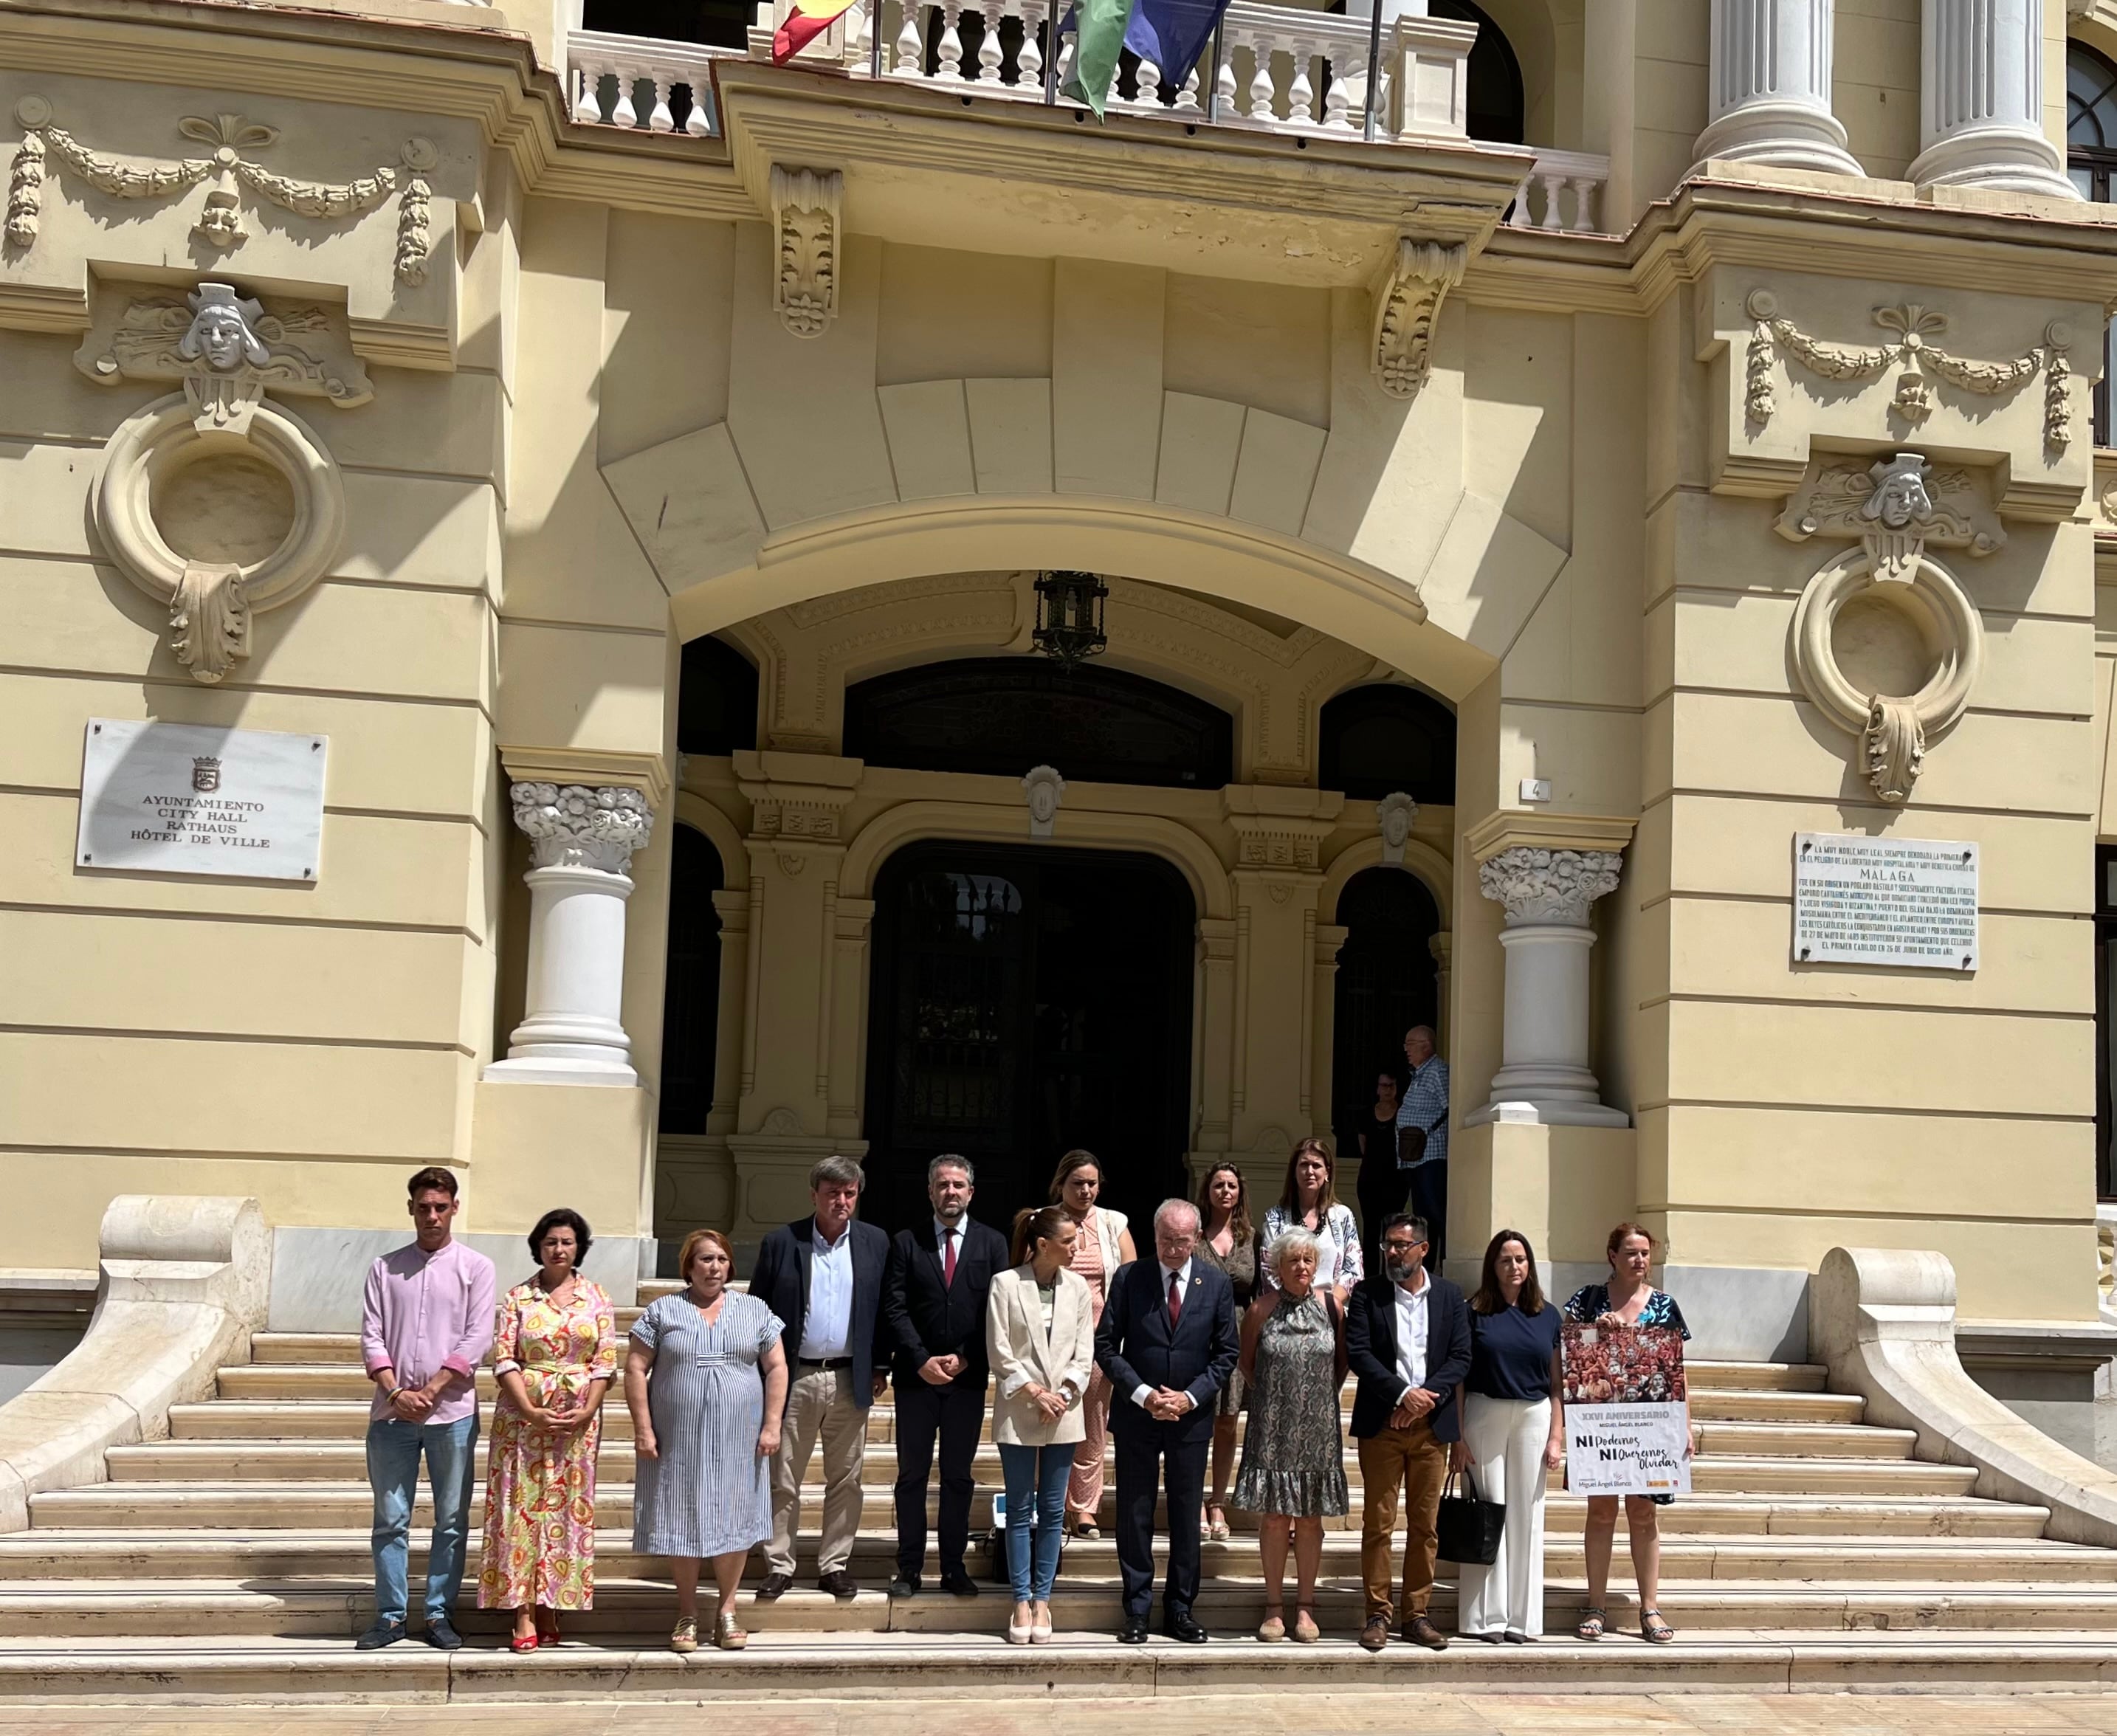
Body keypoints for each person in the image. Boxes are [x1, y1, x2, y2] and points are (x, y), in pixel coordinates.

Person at [356, 1166, 497, 1651]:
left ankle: (439, 1613)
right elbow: (371, 1335)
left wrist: (433, 1389)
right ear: (411, 1209)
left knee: (451, 1520)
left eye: (440, 1207)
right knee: (390, 1520)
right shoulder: (384, 1268)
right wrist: (397, 1393)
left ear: (455, 1208)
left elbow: (478, 1336)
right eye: (423, 1208)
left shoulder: (476, 1268)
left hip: (452, 1413)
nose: (431, 1216)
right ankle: (391, 1617)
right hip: (391, 1416)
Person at [627, 1229, 788, 1653]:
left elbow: (777, 1368)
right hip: (677, 1440)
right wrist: (643, 1428)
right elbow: (635, 1368)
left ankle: (727, 1609)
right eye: (704, 1259)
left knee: (734, 1518)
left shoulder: (755, 1310)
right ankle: (687, 1612)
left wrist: (772, 1424)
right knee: (681, 1517)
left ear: (730, 1265)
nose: (713, 1267)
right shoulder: (662, 1311)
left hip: (739, 1439)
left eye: (720, 1259)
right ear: (688, 1266)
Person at [1095, 1198, 1239, 1645]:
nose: (1173, 1250)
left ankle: (1180, 1609)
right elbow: (1106, 1346)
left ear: (1197, 1238)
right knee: (1134, 1514)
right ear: (1153, 1236)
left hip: (1190, 1420)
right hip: (1139, 1415)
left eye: (1182, 1241)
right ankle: (1137, 1609)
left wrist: (1190, 1397)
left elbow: (1226, 1354)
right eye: (1165, 1241)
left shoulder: (1215, 1283)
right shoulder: (1129, 1277)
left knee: (1183, 1515)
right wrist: (1143, 1394)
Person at [749, 1155, 890, 1600]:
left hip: (851, 1378)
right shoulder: (781, 1242)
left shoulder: (875, 1243)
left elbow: (885, 1309)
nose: (841, 1201)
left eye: (849, 1193)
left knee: (846, 1478)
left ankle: (834, 1564)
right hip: (794, 1378)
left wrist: (882, 1366)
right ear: (814, 1196)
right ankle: (779, 1563)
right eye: (832, 1193)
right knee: (783, 1476)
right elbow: (758, 1311)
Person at [478, 1208, 618, 1652]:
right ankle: (522, 1610)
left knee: (562, 1509)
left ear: (579, 1248)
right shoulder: (519, 1298)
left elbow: (605, 1361)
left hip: (577, 1426)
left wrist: (587, 1409)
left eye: (567, 1242)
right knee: (520, 1508)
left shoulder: (597, 1296)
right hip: (522, 1422)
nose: (559, 1249)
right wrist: (531, 1410)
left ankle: (551, 1601)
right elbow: (503, 1360)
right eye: (551, 1242)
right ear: (539, 1247)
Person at [881, 1154, 1011, 1599]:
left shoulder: (993, 1244)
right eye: (942, 1185)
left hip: (967, 1381)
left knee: (958, 1476)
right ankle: (910, 1568)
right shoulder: (905, 1242)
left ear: (971, 1192)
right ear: (930, 1191)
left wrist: (966, 1358)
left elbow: (996, 1311)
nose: (950, 1192)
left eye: (958, 1185)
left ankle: (954, 1567)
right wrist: (920, 1359)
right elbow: (894, 1306)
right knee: (912, 1476)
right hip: (917, 1380)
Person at [1564, 1221, 1696, 1647]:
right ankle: (1596, 1604)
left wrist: (1685, 1424)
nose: (1640, 1260)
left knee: (1644, 1514)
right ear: (1612, 1257)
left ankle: (1650, 1607)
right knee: (1601, 1513)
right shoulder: (1587, 1301)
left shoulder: (1665, 1305)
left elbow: (1678, 1370)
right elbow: (1565, 1352)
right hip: (1600, 1425)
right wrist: (1595, 1333)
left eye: (1645, 1253)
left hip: (1650, 1427)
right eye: (1631, 1253)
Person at [1344, 1213, 1470, 1653]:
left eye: (1402, 1245)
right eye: (1388, 1245)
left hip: (1432, 1428)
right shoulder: (1367, 1294)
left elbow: (1461, 1356)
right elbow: (1359, 1353)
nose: (1393, 1253)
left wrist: (1425, 1398)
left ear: (1424, 1248)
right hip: (1383, 1424)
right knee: (1378, 1523)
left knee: (1426, 1526)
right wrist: (1402, 1396)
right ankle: (1377, 1614)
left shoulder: (1451, 1296)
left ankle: (1415, 1615)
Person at [1232, 1227, 1348, 1643]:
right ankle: (1274, 1606)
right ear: (1276, 1267)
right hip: (1273, 1425)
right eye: (1292, 1260)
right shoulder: (1260, 1310)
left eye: (1308, 1260)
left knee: (1311, 1519)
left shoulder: (1333, 1308)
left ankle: (1306, 1607)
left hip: (1318, 1428)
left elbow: (1341, 1366)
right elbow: (1247, 1365)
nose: (1301, 1267)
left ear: (1317, 1265)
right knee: (1276, 1517)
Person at [986, 1205, 1096, 1644]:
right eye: (1069, 1242)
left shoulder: (1079, 1289)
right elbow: (999, 1349)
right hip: (1020, 1409)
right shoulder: (1006, 1284)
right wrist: (1034, 1392)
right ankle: (1020, 1599)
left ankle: (1043, 1600)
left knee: (1053, 1512)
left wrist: (1064, 1394)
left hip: (1064, 1412)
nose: (1077, 1248)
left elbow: (1084, 1353)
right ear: (1044, 1244)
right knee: (1018, 1509)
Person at [1452, 1228, 1564, 1644]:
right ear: (1492, 1266)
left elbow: (1557, 1384)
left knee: (1527, 1517)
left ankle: (1523, 1619)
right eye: (1504, 1260)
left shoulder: (1548, 1315)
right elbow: (1459, 1377)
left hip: (1533, 1417)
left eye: (1520, 1259)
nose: (1513, 1267)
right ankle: (1485, 1619)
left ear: (1529, 1264)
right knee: (1488, 1513)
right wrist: (1457, 1436)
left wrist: (1557, 1436)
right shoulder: (1473, 1310)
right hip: (1484, 1413)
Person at [1050, 1149, 1136, 1539]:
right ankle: (1051, 1500)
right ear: (1061, 1184)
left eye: (1092, 1183)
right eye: (1077, 1183)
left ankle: (1084, 1507)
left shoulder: (1114, 1222)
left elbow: (1129, 1280)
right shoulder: (1044, 1221)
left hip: (1100, 1340)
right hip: (1051, 1338)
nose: (1086, 1190)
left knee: (1093, 1424)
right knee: (1051, 1419)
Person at [1193, 1162, 1263, 1543]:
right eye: (1218, 1185)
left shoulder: (1252, 1238)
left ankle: (1217, 1501)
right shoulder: (1193, 1234)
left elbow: (1259, 1292)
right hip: (1196, 1335)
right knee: (1195, 1424)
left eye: (1231, 1186)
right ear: (1207, 1192)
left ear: (1240, 1193)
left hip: (1237, 1335)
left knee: (1227, 1423)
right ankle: (1191, 1502)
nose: (1225, 1191)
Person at [1261, 1137, 1363, 1307]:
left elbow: (1354, 1271)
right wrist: (1301, 1306)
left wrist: (1327, 1304)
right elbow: (1269, 1271)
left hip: (1331, 1311)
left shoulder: (1343, 1216)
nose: (1310, 1171)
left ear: (1327, 1173)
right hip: (1287, 1312)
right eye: (1304, 1165)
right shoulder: (1275, 1218)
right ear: (1294, 1172)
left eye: (1316, 1165)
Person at [1394, 1027, 1450, 1266]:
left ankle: (1443, 1263)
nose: (1405, 1049)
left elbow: (1451, 1108)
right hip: (1416, 1158)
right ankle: (1425, 1267)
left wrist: (1429, 1131)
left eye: (1410, 1043)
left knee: (1436, 1214)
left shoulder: (1437, 1071)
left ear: (1426, 1045)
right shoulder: (1418, 1074)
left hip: (1431, 1155)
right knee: (1422, 1218)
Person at [1353, 1069, 1407, 1275]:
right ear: (1377, 1088)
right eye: (1383, 1085)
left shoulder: (1403, 1112)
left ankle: (1391, 1276)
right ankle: (1370, 1278)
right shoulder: (1366, 1114)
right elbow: (1364, 1146)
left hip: (1396, 1181)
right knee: (1371, 1230)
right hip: (1369, 1180)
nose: (1387, 1090)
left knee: (1392, 1230)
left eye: (1391, 1086)